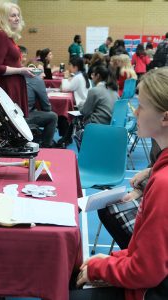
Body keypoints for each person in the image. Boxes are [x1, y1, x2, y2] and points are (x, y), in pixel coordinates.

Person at [70, 67, 168, 300]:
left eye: (141, 106)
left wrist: (97, 268)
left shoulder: (163, 183)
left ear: (165, 117)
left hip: (150, 290)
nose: (135, 113)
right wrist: (112, 260)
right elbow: (144, 255)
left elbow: (146, 272)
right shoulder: (160, 171)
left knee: (69, 289)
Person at [0, 2, 34, 117]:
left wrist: (22, 69)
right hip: (8, 86)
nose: (17, 18)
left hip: (12, 85)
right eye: (13, 15)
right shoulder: (0, 35)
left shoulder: (6, 36)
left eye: (18, 15)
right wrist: (21, 70)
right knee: (10, 127)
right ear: (3, 18)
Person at [24, 60, 58, 148]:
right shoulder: (37, 80)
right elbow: (47, 108)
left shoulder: (21, 77)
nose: (44, 75)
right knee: (53, 116)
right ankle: (46, 145)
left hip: (12, 116)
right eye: (41, 72)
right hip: (23, 118)